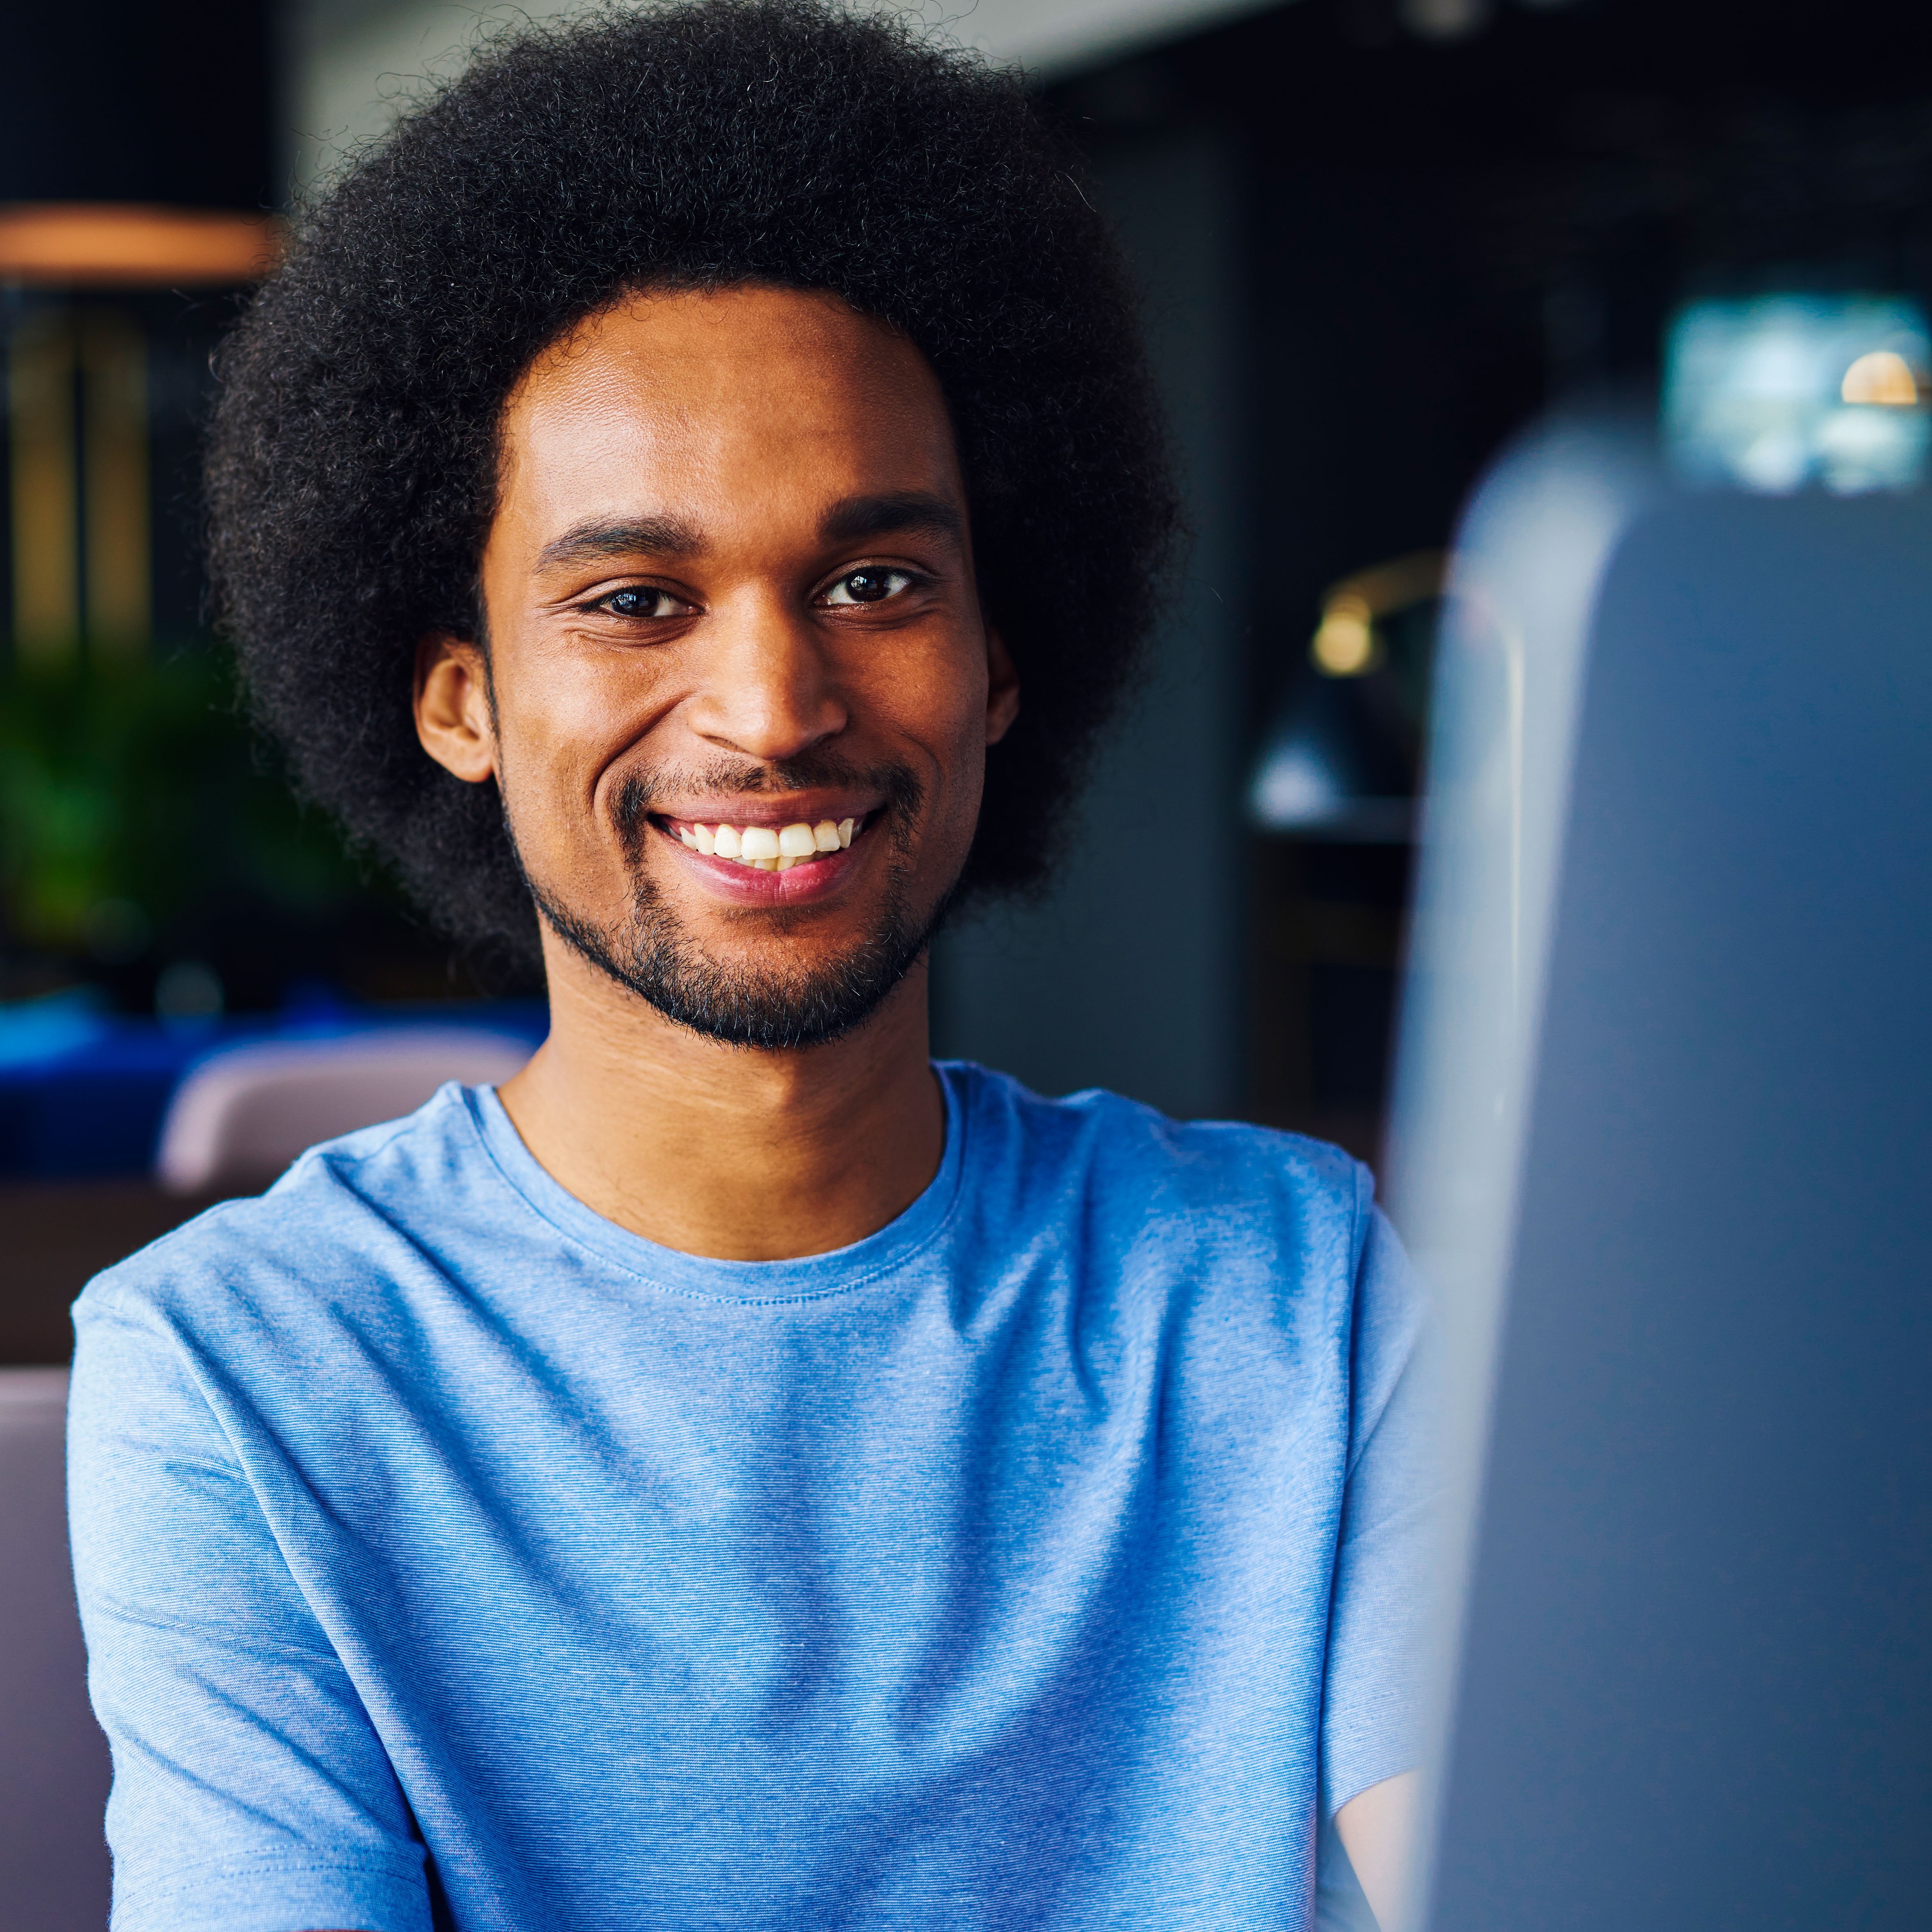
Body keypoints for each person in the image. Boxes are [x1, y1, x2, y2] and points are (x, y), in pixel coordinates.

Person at [67, 5, 1438, 1927]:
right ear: (459, 698)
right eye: (635, 602)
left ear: (1002, 660)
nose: (776, 708)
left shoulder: (1300, 1299)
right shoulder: (241, 1378)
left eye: (876, 583)